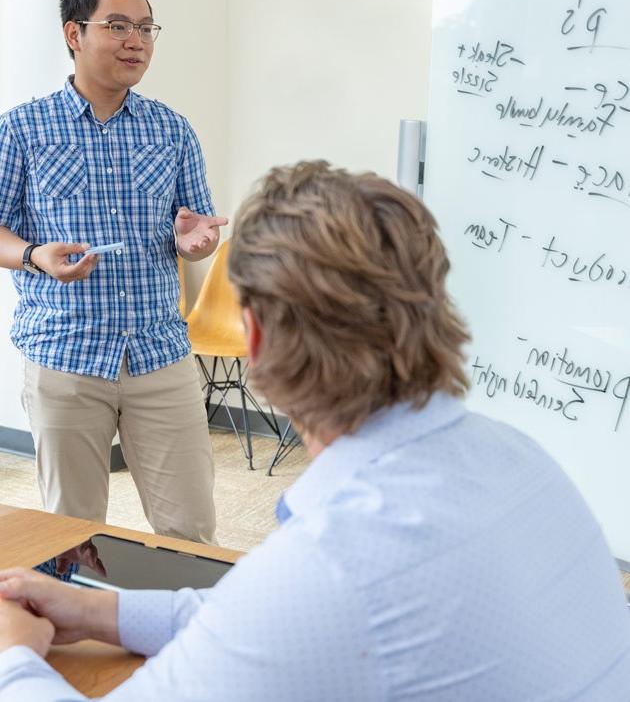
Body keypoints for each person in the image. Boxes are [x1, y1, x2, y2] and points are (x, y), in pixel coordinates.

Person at [0, 160, 629, 700]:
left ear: (255, 338)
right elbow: (259, 618)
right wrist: (99, 610)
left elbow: (297, 609)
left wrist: (14, 658)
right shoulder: (517, 457)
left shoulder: (336, 564)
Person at [0, 0, 226, 543]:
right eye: (118, 26)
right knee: (71, 537)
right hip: (66, 354)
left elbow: (197, 227)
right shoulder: (22, 130)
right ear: (74, 34)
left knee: (191, 532)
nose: (138, 41)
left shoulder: (172, 130)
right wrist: (33, 256)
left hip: (161, 355)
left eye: (147, 27)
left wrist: (197, 241)